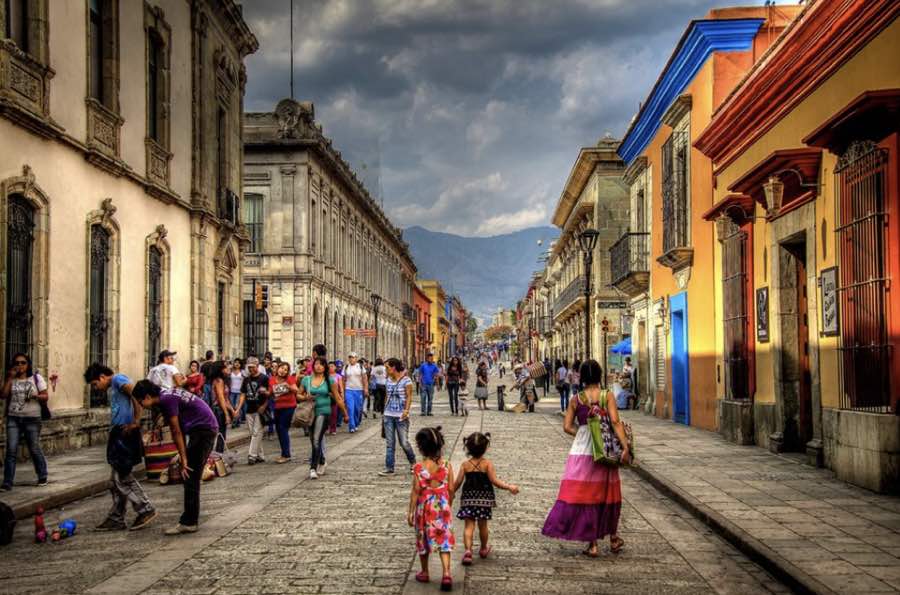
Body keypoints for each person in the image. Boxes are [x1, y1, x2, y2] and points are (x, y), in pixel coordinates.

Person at [542, 359, 630, 557]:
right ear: (599, 375)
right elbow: (615, 421)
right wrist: (625, 447)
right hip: (606, 450)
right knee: (608, 493)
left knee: (587, 495)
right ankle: (614, 539)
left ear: (582, 376)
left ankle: (593, 545)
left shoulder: (576, 399)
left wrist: (584, 434)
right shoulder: (607, 396)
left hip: (582, 451)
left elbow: (566, 427)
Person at [133, 381, 219, 535]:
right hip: (204, 428)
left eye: (140, 402)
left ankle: (189, 522)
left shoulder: (166, 400)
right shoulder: (167, 394)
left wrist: (184, 458)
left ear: (147, 396)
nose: (141, 406)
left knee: (190, 475)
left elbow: (176, 431)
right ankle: (189, 519)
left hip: (203, 430)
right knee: (191, 476)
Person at [83, 363, 156, 531]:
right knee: (116, 479)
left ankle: (145, 508)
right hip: (119, 432)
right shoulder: (114, 386)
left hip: (125, 433)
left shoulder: (117, 379)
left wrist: (136, 422)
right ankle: (116, 517)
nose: (96, 388)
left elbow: (137, 395)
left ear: (102, 376)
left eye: (95, 384)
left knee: (122, 477)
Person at [452, 432, 519, 565]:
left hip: (468, 499)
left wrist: (450, 493)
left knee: (468, 526)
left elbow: (457, 482)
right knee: (483, 525)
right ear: (485, 448)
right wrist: (509, 486)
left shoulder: (465, 465)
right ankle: (483, 548)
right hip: (484, 500)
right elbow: (495, 481)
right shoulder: (487, 464)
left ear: (468, 448)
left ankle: (468, 551)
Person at [409, 426, 455, 591]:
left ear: (421, 447)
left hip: (424, 508)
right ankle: (447, 573)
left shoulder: (419, 468)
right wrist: (448, 504)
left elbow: (416, 491)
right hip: (442, 507)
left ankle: (425, 571)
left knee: (423, 539)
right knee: (444, 541)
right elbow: (451, 489)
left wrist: (410, 512)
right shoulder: (447, 465)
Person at [2, 354, 49, 490]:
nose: (20, 365)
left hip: (32, 418)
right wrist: (9, 378)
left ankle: (42, 475)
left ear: (28, 364)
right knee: (11, 450)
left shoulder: (36, 378)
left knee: (34, 448)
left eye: (23, 363)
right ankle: (7, 481)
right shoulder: (12, 379)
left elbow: (45, 396)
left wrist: (35, 396)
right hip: (13, 418)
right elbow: (3, 395)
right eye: (17, 363)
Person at [298, 356, 347, 479]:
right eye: (316, 364)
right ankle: (322, 460)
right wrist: (305, 398)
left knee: (316, 439)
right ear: (313, 366)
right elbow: (299, 395)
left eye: (321, 364)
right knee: (313, 440)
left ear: (325, 367)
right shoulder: (306, 380)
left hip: (324, 411)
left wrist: (345, 413)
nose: (318, 366)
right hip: (309, 412)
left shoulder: (330, 381)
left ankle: (312, 468)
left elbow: (337, 398)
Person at [379, 358, 417, 476]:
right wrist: (384, 412)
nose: (386, 370)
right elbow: (386, 396)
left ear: (394, 367)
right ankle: (389, 468)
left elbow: (409, 396)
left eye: (387, 368)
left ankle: (413, 463)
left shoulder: (407, 381)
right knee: (390, 443)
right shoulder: (388, 381)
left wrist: (406, 410)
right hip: (388, 415)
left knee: (404, 442)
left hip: (401, 416)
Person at [238, 357, 269, 464]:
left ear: (257, 366)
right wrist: (238, 409)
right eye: (249, 367)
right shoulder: (246, 379)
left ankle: (252, 455)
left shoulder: (264, 378)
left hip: (260, 408)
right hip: (249, 409)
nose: (251, 369)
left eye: (253, 367)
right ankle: (260, 455)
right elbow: (242, 394)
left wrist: (264, 406)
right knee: (254, 433)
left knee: (256, 432)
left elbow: (270, 394)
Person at [268, 362, 298, 463]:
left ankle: (286, 454)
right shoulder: (272, 379)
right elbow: (270, 393)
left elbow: (296, 390)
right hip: (277, 407)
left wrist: (288, 386)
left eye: (285, 370)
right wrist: (265, 392)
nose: (283, 371)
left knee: (283, 428)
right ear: (277, 368)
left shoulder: (289, 379)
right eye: (281, 368)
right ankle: (284, 453)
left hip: (289, 406)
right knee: (279, 430)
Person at [206, 361, 236, 453]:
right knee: (220, 435)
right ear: (220, 369)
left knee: (221, 435)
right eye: (225, 367)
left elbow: (226, 399)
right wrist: (227, 414)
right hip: (218, 410)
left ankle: (218, 457)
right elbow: (220, 398)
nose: (228, 368)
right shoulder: (218, 381)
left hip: (221, 409)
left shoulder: (223, 380)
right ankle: (217, 457)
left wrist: (232, 410)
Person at [342, 352, 368, 433]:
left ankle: (356, 423)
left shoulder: (360, 367)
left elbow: (364, 379)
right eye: (350, 357)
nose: (351, 359)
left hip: (359, 390)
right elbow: (343, 380)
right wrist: (343, 391)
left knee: (357, 409)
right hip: (348, 390)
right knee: (350, 408)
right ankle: (351, 426)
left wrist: (366, 389)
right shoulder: (346, 367)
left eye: (353, 357)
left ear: (356, 358)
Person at [327, 361, 344, 435]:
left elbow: (341, 386)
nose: (330, 368)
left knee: (334, 413)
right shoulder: (325, 376)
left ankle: (333, 429)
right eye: (329, 366)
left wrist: (342, 394)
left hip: (335, 396)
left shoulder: (338, 376)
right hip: (326, 395)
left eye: (332, 366)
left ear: (335, 367)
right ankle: (326, 427)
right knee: (327, 413)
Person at [227, 359, 245, 428]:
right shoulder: (231, 371)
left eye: (238, 363)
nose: (237, 364)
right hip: (232, 391)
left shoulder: (242, 372)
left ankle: (235, 421)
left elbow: (245, 381)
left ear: (240, 364)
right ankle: (237, 420)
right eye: (235, 362)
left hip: (239, 392)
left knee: (237, 407)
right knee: (232, 407)